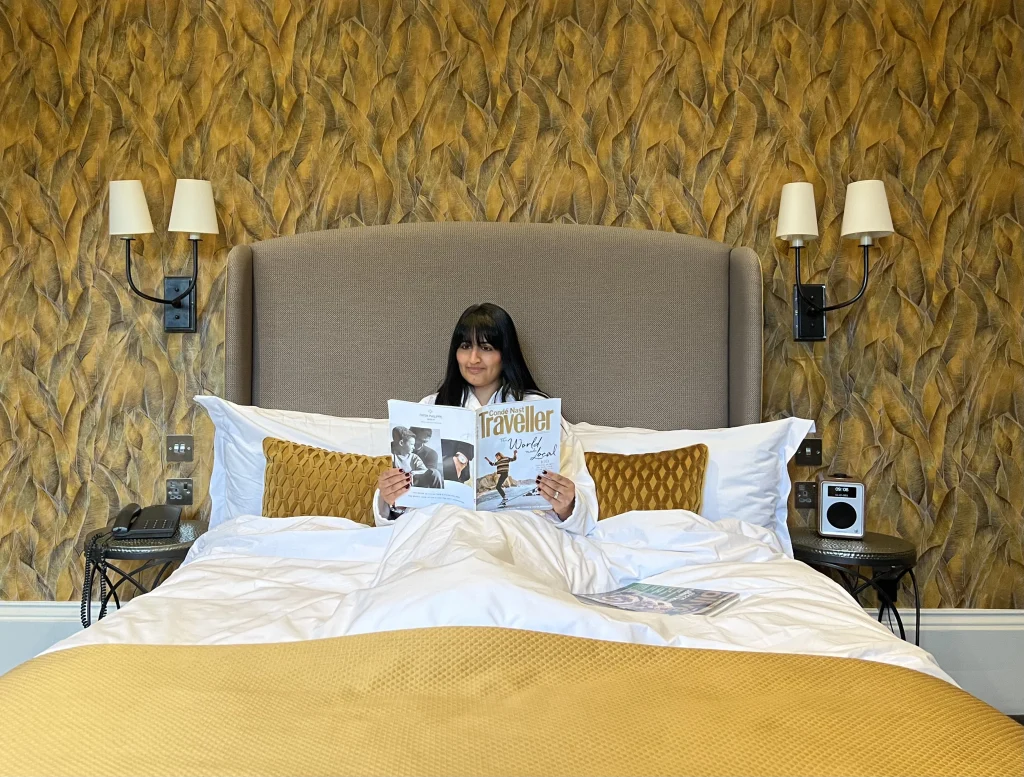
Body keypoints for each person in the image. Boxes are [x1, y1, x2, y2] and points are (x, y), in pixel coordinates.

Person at [375, 303, 597, 534]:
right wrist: (392, 498)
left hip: (516, 529)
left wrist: (569, 504)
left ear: (505, 353)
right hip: (443, 527)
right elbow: (398, 510)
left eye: (486, 347)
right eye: (465, 346)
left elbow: (581, 504)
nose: (473, 358)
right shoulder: (429, 407)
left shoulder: (539, 410)